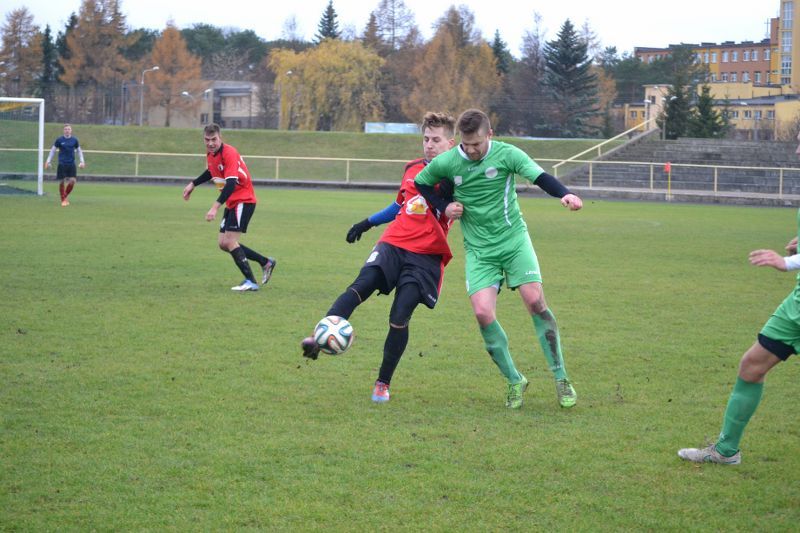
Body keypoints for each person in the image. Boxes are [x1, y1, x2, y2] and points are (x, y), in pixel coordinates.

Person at [414, 108, 583, 410]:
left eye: (477, 143)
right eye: (466, 144)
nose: (472, 150)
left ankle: (561, 378)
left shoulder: (508, 154)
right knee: (482, 313)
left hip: (514, 241)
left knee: (534, 301)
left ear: (490, 135)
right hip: (479, 250)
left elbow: (539, 176)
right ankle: (514, 380)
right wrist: (443, 206)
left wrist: (564, 194)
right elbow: (422, 183)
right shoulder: (449, 161)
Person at [301, 112, 457, 403]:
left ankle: (382, 383)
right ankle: (318, 337)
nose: (430, 145)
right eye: (426, 139)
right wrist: (367, 222)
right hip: (394, 243)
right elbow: (400, 206)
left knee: (399, 316)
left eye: (436, 140)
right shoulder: (412, 168)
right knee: (362, 284)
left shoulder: (460, 176)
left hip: (426, 255)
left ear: (451, 143)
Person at [677, 136, 800, 464]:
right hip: (797, 307)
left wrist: (787, 262)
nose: (798, 150)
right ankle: (726, 451)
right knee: (751, 366)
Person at [182, 123, 276, 292]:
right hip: (233, 201)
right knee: (223, 243)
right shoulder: (211, 155)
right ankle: (265, 262)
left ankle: (251, 281)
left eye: (214, 139)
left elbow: (231, 183)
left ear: (220, 138)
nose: (210, 143)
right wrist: (193, 184)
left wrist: (214, 207)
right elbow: (211, 172)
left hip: (243, 200)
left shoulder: (229, 153)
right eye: (207, 140)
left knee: (230, 241)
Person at [45, 123, 85, 207]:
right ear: (64, 130)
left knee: (73, 181)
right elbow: (52, 151)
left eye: (69, 129)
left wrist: (82, 161)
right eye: (66, 129)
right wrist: (48, 161)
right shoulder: (59, 140)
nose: (67, 130)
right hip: (62, 163)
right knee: (61, 181)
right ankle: (63, 200)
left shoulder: (74, 140)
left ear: (71, 130)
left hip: (71, 164)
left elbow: (79, 151)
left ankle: (64, 196)